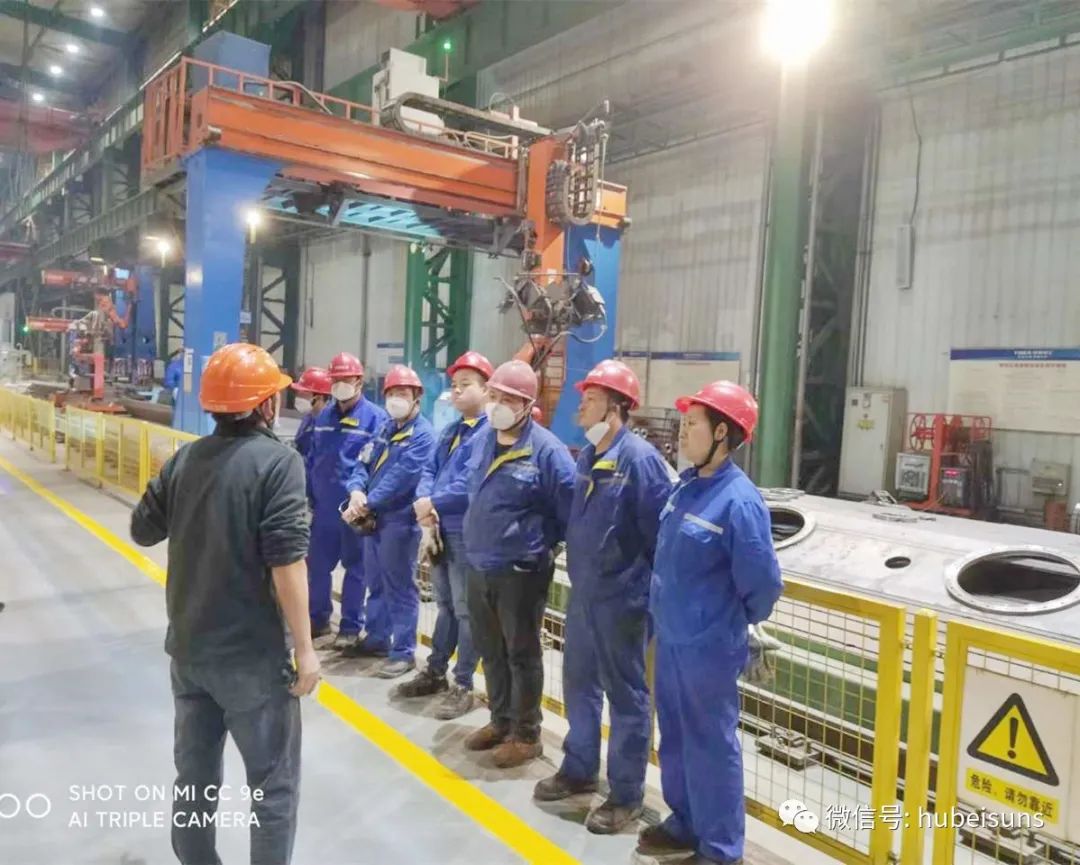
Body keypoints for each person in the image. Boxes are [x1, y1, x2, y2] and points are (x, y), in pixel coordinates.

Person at [130, 343, 320, 865]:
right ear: (265, 405)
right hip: (252, 659)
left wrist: (173, 485)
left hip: (189, 652)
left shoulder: (186, 458)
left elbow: (142, 530)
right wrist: (306, 649)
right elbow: (287, 561)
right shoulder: (280, 464)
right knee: (273, 788)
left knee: (194, 777)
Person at [635, 381, 783, 865]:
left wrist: (732, 623)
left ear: (722, 432)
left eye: (692, 424)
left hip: (709, 647)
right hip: (672, 638)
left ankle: (720, 849)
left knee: (711, 744)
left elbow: (762, 583)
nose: (682, 432)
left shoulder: (739, 501)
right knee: (676, 734)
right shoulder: (686, 487)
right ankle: (685, 823)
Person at [534, 359, 674, 833]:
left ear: (615, 408)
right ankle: (579, 769)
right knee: (579, 684)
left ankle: (626, 794)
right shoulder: (588, 457)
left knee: (626, 696)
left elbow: (659, 538)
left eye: (590, 399)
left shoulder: (641, 461)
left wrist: (645, 596)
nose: (580, 407)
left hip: (624, 600)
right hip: (585, 595)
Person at [461, 359, 575, 769]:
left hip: (520, 572)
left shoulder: (548, 452)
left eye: (508, 399)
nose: (497, 405)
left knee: (521, 653)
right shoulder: (481, 439)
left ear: (528, 406)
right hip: (479, 564)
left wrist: (539, 548)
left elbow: (568, 512)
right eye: (494, 396)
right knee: (490, 650)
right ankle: (500, 720)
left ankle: (526, 735)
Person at [397, 350, 493, 717]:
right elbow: (429, 470)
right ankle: (436, 670)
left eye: (466, 385)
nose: (457, 391)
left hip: (466, 533)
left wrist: (432, 502)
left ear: (487, 390)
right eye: (454, 385)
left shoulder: (488, 435)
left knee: (467, 611)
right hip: (438, 528)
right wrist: (426, 502)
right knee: (446, 606)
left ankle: (463, 683)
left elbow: (470, 483)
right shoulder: (452, 431)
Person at [341, 365, 434, 677]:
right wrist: (356, 491)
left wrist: (366, 503)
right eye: (391, 393)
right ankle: (377, 638)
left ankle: (403, 652)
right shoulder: (384, 428)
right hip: (374, 519)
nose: (396, 398)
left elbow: (401, 478)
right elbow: (362, 463)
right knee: (376, 582)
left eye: (402, 393)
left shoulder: (423, 437)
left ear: (416, 397)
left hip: (399, 522)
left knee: (400, 587)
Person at [306, 353, 388, 647]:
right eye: (336, 379)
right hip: (323, 507)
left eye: (346, 379)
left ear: (359, 381)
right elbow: (314, 458)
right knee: (317, 566)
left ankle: (350, 627)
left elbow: (375, 465)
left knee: (356, 569)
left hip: (355, 508)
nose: (340, 384)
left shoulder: (376, 418)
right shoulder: (323, 416)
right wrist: (309, 497)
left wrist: (368, 502)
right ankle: (317, 620)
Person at [290, 366, 331, 461]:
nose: (298, 398)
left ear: (319, 397)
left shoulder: (330, 424)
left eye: (303, 394)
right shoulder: (309, 417)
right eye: (298, 393)